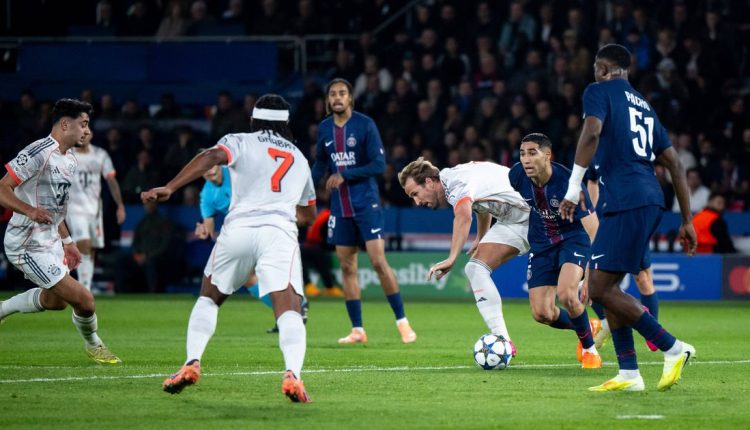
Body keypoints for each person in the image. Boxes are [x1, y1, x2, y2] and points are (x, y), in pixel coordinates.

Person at [143, 94, 316, 403]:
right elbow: (308, 214)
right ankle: (292, 374)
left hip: (238, 227)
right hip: (278, 232)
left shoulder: (239, 140)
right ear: (286, 124)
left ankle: (191, 362)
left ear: (253, 120)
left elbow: (211, 157)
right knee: (289, 309)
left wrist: (171, 186)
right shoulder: (300, 159)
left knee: (209, 298)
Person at [559, 44, 697, 392]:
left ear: (605, 70)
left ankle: (673, 347)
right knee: (607, 288)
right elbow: (675, 164)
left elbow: (591, 132)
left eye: (596, 67)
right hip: (646, 199)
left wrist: (573, 187)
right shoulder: (645, 106)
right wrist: (687, 220)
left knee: (599, 288)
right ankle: (629, 373)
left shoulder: (599, 91)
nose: (594, 73)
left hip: (626, 200)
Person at [0, 98, 120, 364]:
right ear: (65, 124)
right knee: (84, 300)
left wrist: (67, 241)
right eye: (83, 124)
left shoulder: (70, 160)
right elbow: (1, 188)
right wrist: (29, 210)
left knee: (57, 302)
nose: (87, 131)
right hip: (26, 244)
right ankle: (94, 344)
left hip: (51, 240)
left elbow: (57, 209)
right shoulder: (38, 152)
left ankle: (2, 309)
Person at [312, 78, 416, 344]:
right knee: (347, 267)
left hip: (366, 204)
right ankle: (357, 329)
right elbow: (320, 164)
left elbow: (379, 164)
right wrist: (306, 188)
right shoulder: (324, 129)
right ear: (328, 100)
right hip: (340, 208)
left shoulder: (365, 124)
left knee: (378, 262)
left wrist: (345, 174)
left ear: (350, 98)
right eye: (332, 94)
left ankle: (402, 322)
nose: (337, 97)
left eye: (342, 93)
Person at [398, 157, 529, 356]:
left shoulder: (455, 182)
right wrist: (482, 237)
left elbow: (464, 215)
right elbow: (482, 206)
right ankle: (504, 342)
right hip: (513, 221)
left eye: (415, 194)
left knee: (550, 304)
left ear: (429, 182)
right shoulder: (457, 178)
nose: (417, 202)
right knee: (475, 269)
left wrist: (452, 258)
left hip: (535, 215)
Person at [508, 133, 601, 368]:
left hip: (573, 238)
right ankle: (586, 326)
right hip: (541, 244)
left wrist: (591, 275)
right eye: (522, 154)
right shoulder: (516, 175)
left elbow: (594, 230)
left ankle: (590, 351)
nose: (526, 159)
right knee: (542, 313)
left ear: (547, 156)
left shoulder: (570, 186)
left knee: (567, 294)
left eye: (532, 153)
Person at [196, 163, 305, 333]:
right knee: (248, 278)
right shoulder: (207, 194)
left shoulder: (236, 172)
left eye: (211, 166)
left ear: (219, 164)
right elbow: (208, 225)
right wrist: (204, 231)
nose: (209, 170)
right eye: (204, 168)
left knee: (268, 272)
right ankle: (292, 312)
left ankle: (292, 311)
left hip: (269, 221)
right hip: (245, 231)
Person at [586, 168, 660, 351]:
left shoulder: (632, 157)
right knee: (592, 280)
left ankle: (652, 330)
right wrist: (591, 213)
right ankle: (606, 321)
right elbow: (592, 181)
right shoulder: (593, 155)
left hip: (633, 220)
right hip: (605, 223)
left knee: (642, 278)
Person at [66, 131, 126, 292]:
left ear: (91, 135)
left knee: (91, 248)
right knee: (84, 243)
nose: (83, 134)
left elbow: (111, 180)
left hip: (94, 210)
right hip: (74, 208)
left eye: (87, 130)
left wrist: (120, 205)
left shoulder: (100, 154)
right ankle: (84, 289)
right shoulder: (67, 154)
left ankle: (85, 284)